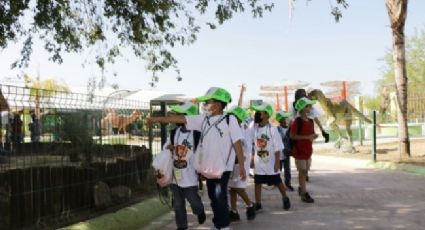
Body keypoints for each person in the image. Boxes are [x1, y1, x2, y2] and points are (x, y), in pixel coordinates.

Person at [148, 87, 246, 230]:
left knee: (220, 197)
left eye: (208, 102)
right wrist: (158, 119)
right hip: (208, 168)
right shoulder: (203, 120)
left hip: (223, 168)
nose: (205, 105)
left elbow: (237, 143)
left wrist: (242, 166)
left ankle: (224, 226)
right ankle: (218, 222)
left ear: (218, 104)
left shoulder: (229, 119)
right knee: (213, 197)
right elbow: (181, 118)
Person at [163, 102, 206, 230]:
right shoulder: (174, 132)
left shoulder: (196, 134)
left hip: (190, 176)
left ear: (188, 117)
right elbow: (166, 146)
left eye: (180, 115)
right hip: (176, 175)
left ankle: (200, 210)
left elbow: (203, 152)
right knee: (178, 204)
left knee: (194, 201)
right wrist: (168, 147)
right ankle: (182, 226)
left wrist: (202, 170)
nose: (176, 117)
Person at [250, 102, 291, 211]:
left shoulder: (272, 129)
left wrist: (277, 162)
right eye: (257, 112)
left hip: (271, 162)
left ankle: (285, 197)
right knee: (257, 182)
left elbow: (278, 147)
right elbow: (253, 145)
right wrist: (252, 159)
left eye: (261, 113)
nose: (258, 115)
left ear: (267, 115)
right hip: (259, 162)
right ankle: (258, 203)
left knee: (277, 181)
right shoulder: (255, 129)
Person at [290, 88, 329, 182]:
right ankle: (302, 174)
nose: (303, 96)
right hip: (298, 132)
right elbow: (291, 120)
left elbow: (315, 118)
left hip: (308, 132)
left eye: (304, 95)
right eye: (301, 95)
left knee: (307, 156)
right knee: (300, 157)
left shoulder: (308, 104)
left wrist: (322, 130)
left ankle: (305, 172)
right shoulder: (294, 106)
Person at [226, 106, 256, 222]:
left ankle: (250, 205)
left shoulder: (243, 128)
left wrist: (242, 161)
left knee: (238, 187)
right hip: (232, 162)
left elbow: (245, 146)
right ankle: (234, 211)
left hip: (240, 161)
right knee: (232, 188)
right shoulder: (232, 127)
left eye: (232, 116)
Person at [290, 97, 318, 203]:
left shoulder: (310, 121)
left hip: (308, 151)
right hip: (299, 151)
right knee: (302, 171)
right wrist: (307, 137)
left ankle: (301, 188)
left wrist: (313, 136)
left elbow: (310, 134)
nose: (310, 107)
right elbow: (292, 136)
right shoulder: (297, 121)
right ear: (302, 108)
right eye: (308, 106)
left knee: (305, 172)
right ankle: (304, 193)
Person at [275, 111, 294, 191]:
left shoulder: (290, 129)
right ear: (280, 120)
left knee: (287, 169)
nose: (285, 120)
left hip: (286, 152)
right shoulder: (276, 129)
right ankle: (278, 183)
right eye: (283, 118)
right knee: (278, 169)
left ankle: (288, 183)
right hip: (279, 153)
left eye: (286, 118)